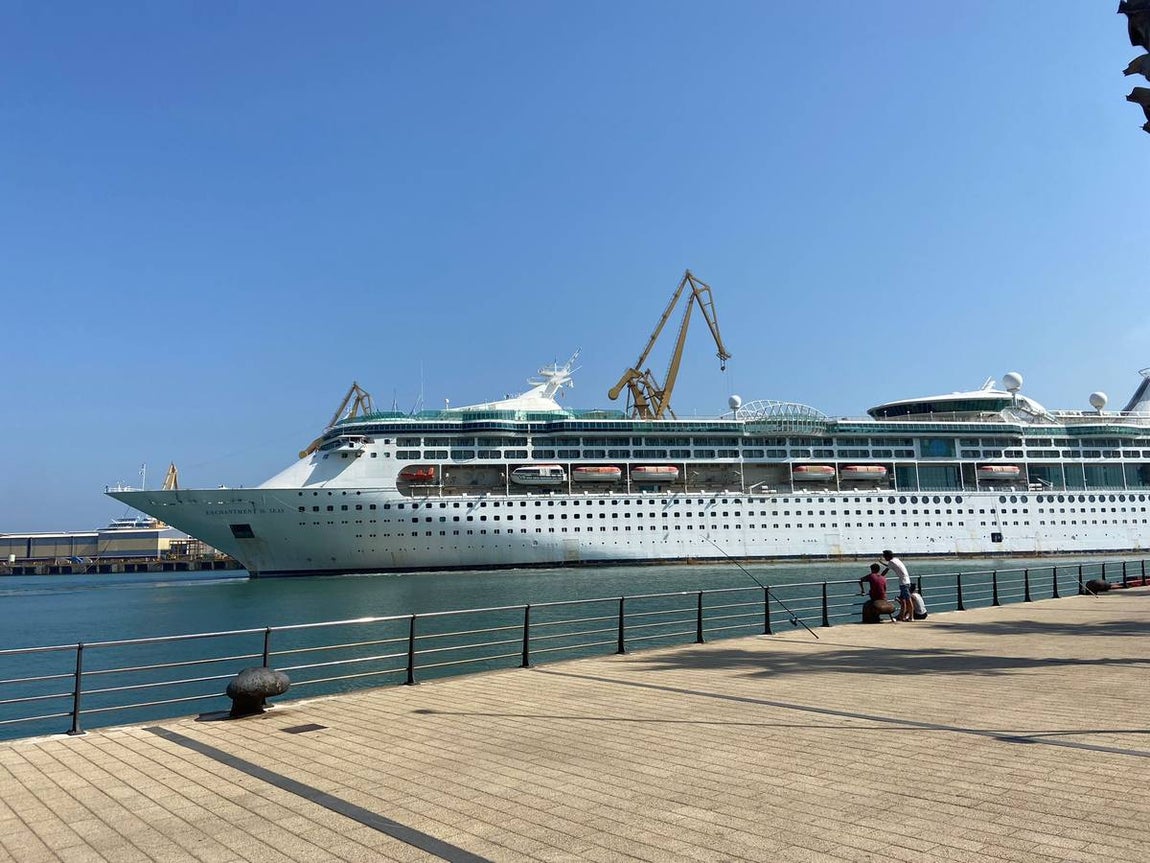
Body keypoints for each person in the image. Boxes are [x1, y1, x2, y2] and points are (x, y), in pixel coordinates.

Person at [881, 549, 913, 622]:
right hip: (906, 581)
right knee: (903, 600)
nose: (884, 558)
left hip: (903, 582)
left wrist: (879, 577)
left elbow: (885, 571)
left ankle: (911, 617)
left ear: (887, 556)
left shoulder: (891, 562)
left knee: (908, 600)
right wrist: (883, 563)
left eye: (884, 557)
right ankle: (902, 616)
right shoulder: (895, 560)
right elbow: (891, 566)